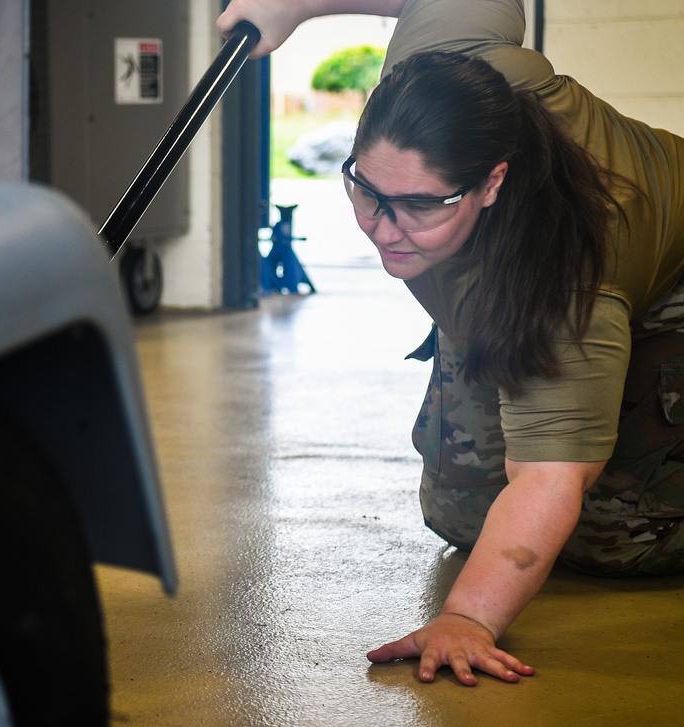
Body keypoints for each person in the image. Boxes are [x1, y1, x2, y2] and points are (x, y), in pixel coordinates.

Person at [218, 0, 684, 686]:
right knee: (462, 511)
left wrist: (468, 615)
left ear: (491, 183)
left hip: (660, 285)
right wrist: (295, 6)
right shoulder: (430, 70)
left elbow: (552, 474)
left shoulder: (567, 281)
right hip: (506, 276)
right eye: (367, 191)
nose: (382, 227)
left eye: (419, 206)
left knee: (620, 541)